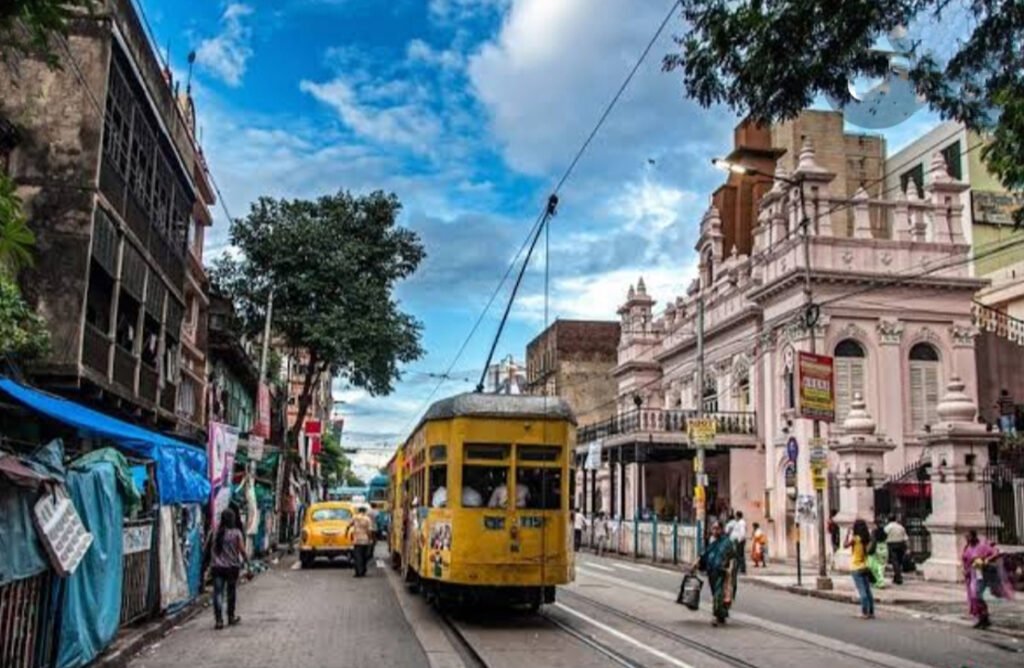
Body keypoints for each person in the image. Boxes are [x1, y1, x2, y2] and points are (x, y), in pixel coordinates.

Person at [962, 529, 1013, 629]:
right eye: (966, 537)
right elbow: (965, 559)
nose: (967, 539)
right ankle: (981, 617)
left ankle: (984, 616)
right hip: (971, 574)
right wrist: (965, 569)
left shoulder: (982, 546)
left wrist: (985, 560)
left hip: (981, 573)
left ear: (974, 536)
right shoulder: (967, 547)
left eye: (968, 536)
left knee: (976, 594)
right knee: (973, 597)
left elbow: (995, 552)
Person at [210, 508, 248, 630]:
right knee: (231, 593)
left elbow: (211, 549)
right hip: (232, 568)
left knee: (218, 594)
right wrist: (248, 563)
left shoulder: (216, 533)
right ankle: (230, 617)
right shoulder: (236, 533)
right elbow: (242, 550)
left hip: (217, 567)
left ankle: (219, 620)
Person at [696, 521, 737, 626]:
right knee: (716, 594)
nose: (714, 531)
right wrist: (696, 564)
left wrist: (730, 571)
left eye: (716, 528)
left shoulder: (727, 542)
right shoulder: (713, 542)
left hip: (722, 573)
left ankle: (717, 616)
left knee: (718, 594)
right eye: (713, 528)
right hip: (712, 573)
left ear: (721, 529)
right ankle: (721, 615)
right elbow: (705, 554)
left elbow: (732, 558)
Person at [845, 519, 875, 619]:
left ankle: (864, 612)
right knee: (868, 590)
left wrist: (847, 534)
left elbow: (845, 545)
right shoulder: (867, 539)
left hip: (856, 567)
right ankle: (871, 611)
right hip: (865, 566)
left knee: (862, 591)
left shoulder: (855, 539)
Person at [347, 506, 374, 577]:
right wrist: (370, 539)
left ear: (359, 511)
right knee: (364, 556)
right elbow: (369, 530)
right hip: (365, 540)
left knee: (357, 557)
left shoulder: (355, 517)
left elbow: (349, 525)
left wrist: (347, 533)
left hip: (357, 540)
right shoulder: (367, 519)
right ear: (365, 511)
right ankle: (363, 570)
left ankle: (358, 572)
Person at [884, 515, 908, 585]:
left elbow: (884, 536)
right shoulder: (901, 527)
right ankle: (896, 576)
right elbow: (905, 538)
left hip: (892, 545)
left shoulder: (888, 527)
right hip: (901, 544)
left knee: (895, 561)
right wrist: (907, 547)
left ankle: (898, 577)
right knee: (899, 561)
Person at [868, 521, 889, 590]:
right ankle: (879, 581)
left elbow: (872, 541)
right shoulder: (885, 533)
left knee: (875, 567)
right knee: (881, 567)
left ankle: (880, 582)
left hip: (877, 549)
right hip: (884, 549)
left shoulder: (874, 533)